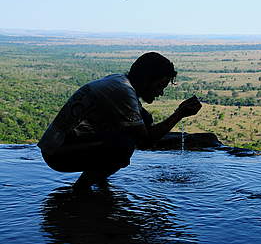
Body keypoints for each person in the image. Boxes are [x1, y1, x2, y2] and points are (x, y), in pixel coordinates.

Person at [38, 52, 202, 191]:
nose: (161, 93)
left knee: (143, 120)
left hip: (59, 146)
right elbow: (145, 141)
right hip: (57, 153)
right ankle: (82, 189)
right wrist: (179, 114)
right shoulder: (123, 91)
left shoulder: (120, 81)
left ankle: (99, 181)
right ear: (146, 80)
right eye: (160, 85)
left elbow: (145, 123)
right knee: (124, 146)